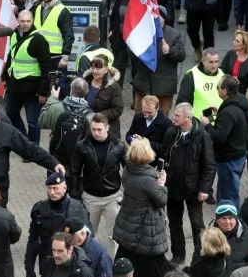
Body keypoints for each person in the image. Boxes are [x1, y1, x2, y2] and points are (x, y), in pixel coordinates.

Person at [158, 102, 216, 266]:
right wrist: (160, 177)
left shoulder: (202, 136)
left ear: (187, 118)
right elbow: (162, 157)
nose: (173, 118)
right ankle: (178, 255)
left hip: (194, 189)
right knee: (174, 222)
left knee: (197, 223)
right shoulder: (171, 133)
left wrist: (205, 188)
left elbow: (209, 165)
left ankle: (201, 257)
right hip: (173, 187)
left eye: (177, 115)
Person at [112, 137, 171, 277]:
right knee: (154, 264)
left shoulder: (127, 170)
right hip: (145, 227)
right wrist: (162, 184)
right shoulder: (148, 180)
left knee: (128, 255)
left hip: (128, 224)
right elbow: (161, 200)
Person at [68, 113, 126, 241]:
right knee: (87, 235)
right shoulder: (82, 145)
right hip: (90, 197)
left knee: (115, 236)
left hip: (113, 196)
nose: (96, 133)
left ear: (107, 127)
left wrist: (127, 193)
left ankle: (113, 261)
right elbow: (74, 170)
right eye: (93, 129)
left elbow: (128, 169)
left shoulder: (119, 145)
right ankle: (88, 261)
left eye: (99, 129)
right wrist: (74, 193)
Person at [25, 171, 91, 277]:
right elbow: (33, 241)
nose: (52, 192)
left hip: (71, 266)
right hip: (48, 265)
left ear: (65, 188)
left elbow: (88, 240)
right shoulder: (40, 210)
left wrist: (82, 264)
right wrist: (29, 268)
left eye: (55, 188)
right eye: (49, 188)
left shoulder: (78, 209)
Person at [202, 75, 248, 213]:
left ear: (224, 91)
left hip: (228, 158)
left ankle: (231, 222)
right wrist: (220, 113)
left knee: (228, 195)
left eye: (218, 87)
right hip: (238, 155)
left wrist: (207, 125)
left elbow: (219, 137)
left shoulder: (228, 111)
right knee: (229, 191)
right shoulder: (239, 104)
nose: (216, 90)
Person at [2, 9, 52, 144]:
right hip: (15, 86)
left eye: (28, 21)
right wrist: (5, 75)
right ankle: (24, 140)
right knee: (11, 113)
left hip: (33, 89)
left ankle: (33, 149)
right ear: (18, 22)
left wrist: (43, 91)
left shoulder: (39, 40)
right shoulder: (14, 35)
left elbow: (46, 67)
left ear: (33, 21)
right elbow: (11, 56)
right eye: (22, 21)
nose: (25, 24)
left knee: (32, 121)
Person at [130, 6, 186, 115]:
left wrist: (170, 50)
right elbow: (131, 54)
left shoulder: (173, 34)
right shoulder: (141, 32)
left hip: (163, 87)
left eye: (156, 15)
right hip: (144, 85)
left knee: (162, 118)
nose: (153, 18)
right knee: (141, 117)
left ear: (164, 18)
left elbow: (181, 55)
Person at [42, 79, 95, 169]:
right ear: (87, 92)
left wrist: (52, 99)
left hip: (56, 163)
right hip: (79, 167)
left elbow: (42, 122)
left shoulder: (55, 107)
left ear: (71, 90)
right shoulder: (92, 117)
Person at [31, 0, 75, 76]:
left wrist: (65, 57)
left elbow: (69, 35)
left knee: (56, 86)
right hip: (39, 53)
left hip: (55, 56)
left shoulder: (63, 11)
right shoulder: (38, 8)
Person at [177, 47, 225, 124]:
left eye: (216, 62)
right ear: (203, 61)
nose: (214, 65)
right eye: (211, 62)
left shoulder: (222, 74)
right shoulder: (191, 75)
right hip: (199, 125)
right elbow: (183, 102)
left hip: (219, 124)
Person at [208, 202, 248, 274]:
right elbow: (198, 265)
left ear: (236, 219)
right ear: (217, 220)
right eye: (224, 218)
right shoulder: (206, 237)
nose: (227, 222)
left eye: (230, 218)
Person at [82, 57, 124, 139]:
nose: (94, 71)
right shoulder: (86, 82)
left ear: (106, 69)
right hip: (88, 128)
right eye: (93, 67)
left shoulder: (113, 86)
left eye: (98, 68)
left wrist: (97, 116)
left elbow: (118, 109)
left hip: (108, 131)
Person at [220, 31, 248, 96]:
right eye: (234, 40)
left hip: (243, 95)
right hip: (226, 92)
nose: (234, 42)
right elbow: (221, 71)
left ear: (245, 45)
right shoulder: (230, 53)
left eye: (237, 41)